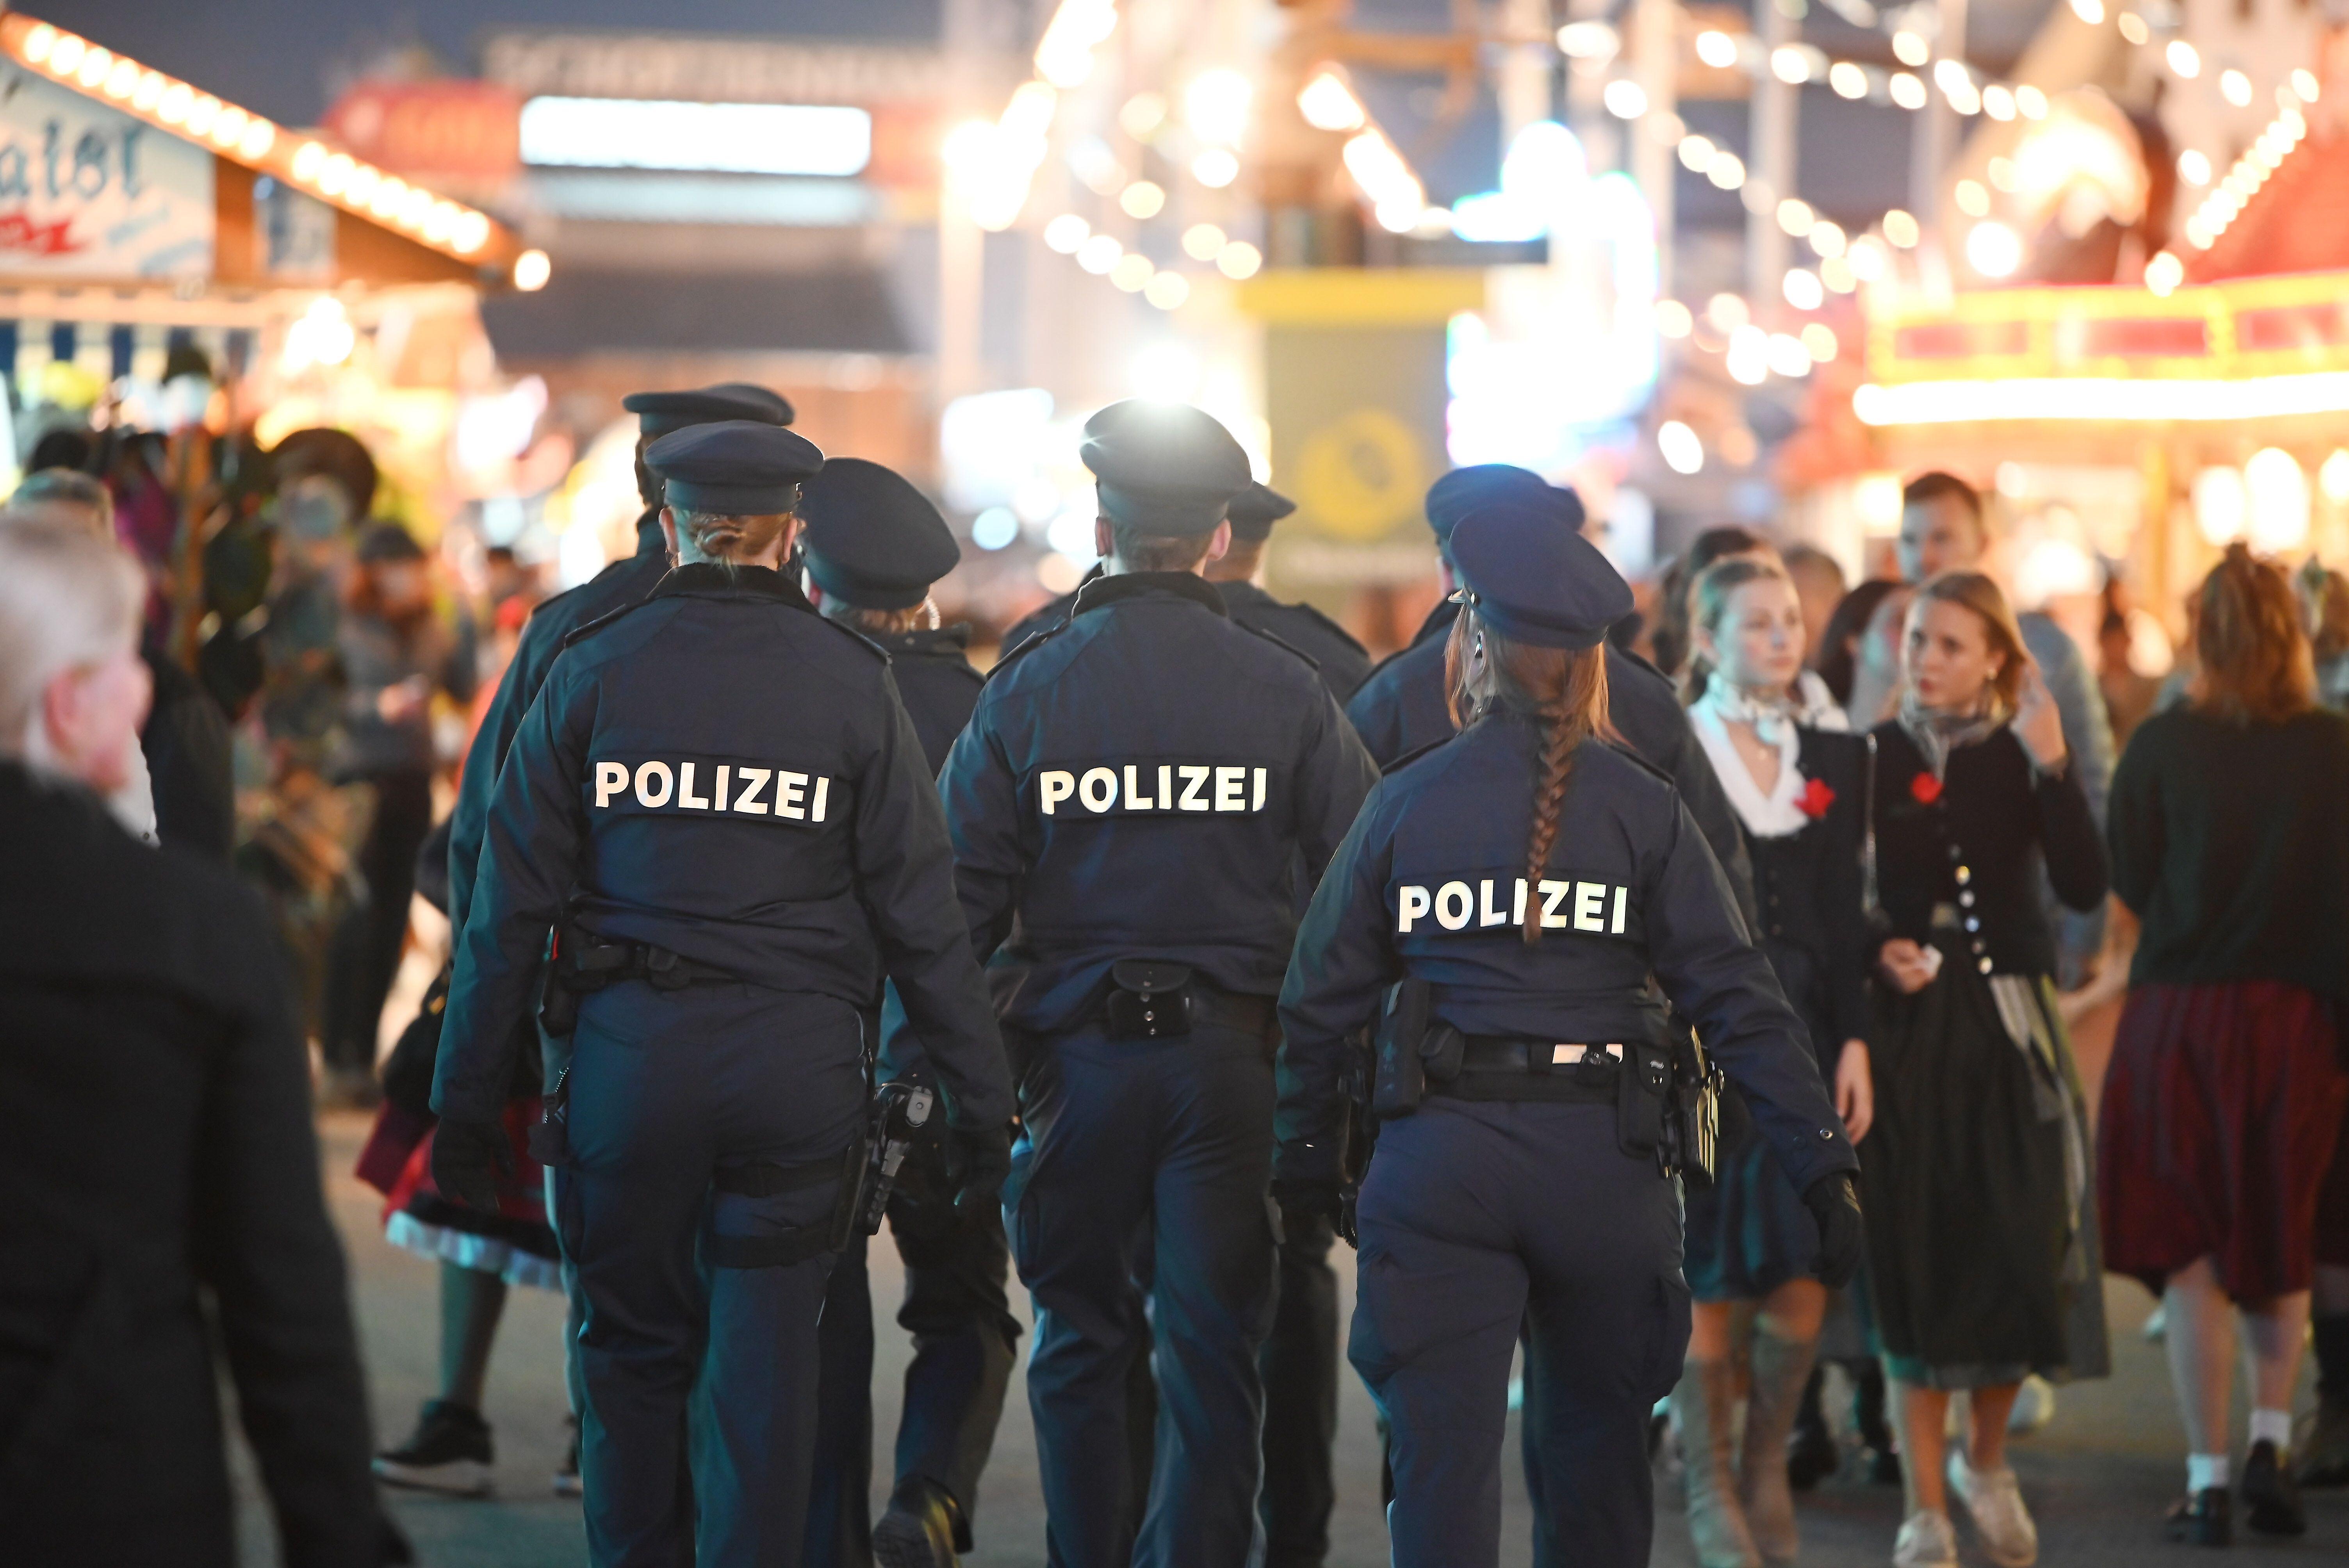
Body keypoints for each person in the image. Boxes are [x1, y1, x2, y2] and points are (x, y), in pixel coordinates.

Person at [431, 420, 1016, 1568]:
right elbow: (922, 921)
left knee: (630, 1363)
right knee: (765, 1384)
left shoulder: (591, 665)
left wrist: (465, 1104)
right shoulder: (852, 685)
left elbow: (506, 912)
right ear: (792, 537)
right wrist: (980, 1103)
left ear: (667, 524)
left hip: (627, 1066)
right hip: (795, 1074)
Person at [1274, 502, 1863, 1568]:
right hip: (1606, 1171)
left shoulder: (1405, 803)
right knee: (1596, 1484)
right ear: (1595, 665)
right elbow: (1739, 994)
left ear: (1476, 647)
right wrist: (1822, 1165)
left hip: (1439, 1165)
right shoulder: (1645, 810)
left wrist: (1309, 1160)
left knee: (1442, 1481)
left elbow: (1320, 998)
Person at [939, 399, 1379, 1566]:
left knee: (1080, 1343)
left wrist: (959, 1072)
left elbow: (954, 904)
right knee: (1213, 1352)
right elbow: (1365, 890)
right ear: (1221, 541)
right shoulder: (1287, 690)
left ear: (1100, 526)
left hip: (1070, 1066)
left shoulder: (1029, 685)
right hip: (1232, 1070)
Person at [0, 517, 397, 1566]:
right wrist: (338, 1537)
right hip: (115, 1475)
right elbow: (279, 1285)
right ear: (67, 701)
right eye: (127, 659)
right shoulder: (194, 929)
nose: (145, 691)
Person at [429, 381, 797, 1494]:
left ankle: (616, 1451)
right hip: (782, 1032)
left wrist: (472, 1060)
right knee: (749, 1290)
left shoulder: (573, 634)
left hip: (595, 1018)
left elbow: (487, 852)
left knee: (618, 1281)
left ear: (649, 489)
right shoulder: (821, 652)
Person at [793, 456, 1022, 1568]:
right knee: (965, 1302)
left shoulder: (796, 703)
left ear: (815, 587)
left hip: (817, 1068)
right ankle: (927, 1497)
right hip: (948, 1060)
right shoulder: (988, 709)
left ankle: (824, 1534)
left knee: (819, 1314)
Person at [2096, 545, 2349, 1544]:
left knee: (2195, 1246)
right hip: (2296, 1019)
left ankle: (2204, 1477)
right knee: (2278, 1228)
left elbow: (2128, 877)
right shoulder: (2334, 746)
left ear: (2199, 633)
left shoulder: (2163, 743)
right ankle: (2271, 1442)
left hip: (2179, 1013)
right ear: (2292, 634)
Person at [1861, 571, 2110, 1568]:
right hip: (1910, 1027)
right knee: (1915, 1254)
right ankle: (1922, 1503)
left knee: (2013, 1245)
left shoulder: (2022, 754)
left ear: (1997, 661)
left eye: (1951, 643)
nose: (1926, 655)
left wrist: (2054, 771)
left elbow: (2088, 883)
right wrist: (1879, 941)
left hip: (2009, 1021)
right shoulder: (1867, 754)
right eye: (1918, 637)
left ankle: (1985, 1459)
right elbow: (1840, 890)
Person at [1674, 558, 1875, 1568]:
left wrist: (1854, 1045)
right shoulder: (1674, 747)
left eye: (1791, 621)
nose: (1783, 637)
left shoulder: (1837, 751)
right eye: (1757, 624)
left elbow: (1847, 922)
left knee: (1805, 1245)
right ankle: (1710, 1482)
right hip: (1705, 1034)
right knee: (1708, 1256)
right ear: (1706, 638)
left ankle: (1764, 1466)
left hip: (1804, 1029)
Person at [1343, 465, 1756, 917]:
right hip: (1621, 983)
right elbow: (1720, 886)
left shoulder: (1387, 700)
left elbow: (1336, 890)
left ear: (1447, 576)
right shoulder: (1648, 700)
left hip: (1431, 983)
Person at [1897, 472, 2114, 989]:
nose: (1924, 556)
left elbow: (2092, 787)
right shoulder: (1880, 641)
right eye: (1909, 539)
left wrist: (2086, 935)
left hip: (2017, 937)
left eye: (1941, 538)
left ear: (1983, 544)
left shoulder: (2046, 652)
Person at [317, 521, 476, 1107]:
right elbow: (316, 701)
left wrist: (461, 619)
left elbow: (460, 685)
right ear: (375, 569)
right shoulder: (343, 624)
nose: (411, 576)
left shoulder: (432, 625)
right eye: (401, 565)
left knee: (390, 921)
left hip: (411, 780)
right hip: (356, 780)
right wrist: (373, 706)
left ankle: (364, 1054)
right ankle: (337, 1055)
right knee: (352, 919)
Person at [5, 466, 234, 855]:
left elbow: (193, 881)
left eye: (77, 552)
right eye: (31, 554)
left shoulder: (177, 710)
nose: (53, 577)